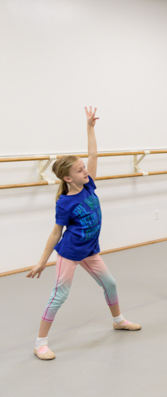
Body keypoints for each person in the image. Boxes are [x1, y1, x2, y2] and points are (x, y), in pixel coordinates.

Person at [26, 107, 141, 361]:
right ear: (68, 178)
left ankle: (118, 320)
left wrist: (89, 127)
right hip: (70, 252)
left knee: (110, 283)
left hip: (89, 250)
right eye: (79, 170)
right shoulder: (64, 203)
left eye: (83, 168)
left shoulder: (88, 186)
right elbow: (55, 233)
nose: (85, 171)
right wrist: (42, 262)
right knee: (60, 295)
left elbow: (93, 154)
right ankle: (40, 343)